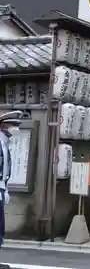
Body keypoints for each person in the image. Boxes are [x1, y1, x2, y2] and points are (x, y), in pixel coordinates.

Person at [0, 110, 22, 263]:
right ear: (3, 126)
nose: (16, 129)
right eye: (13, 126)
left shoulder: (4, 142)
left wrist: (5, 189)